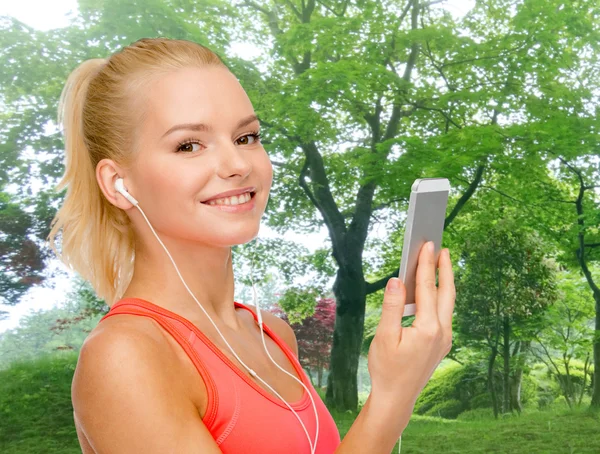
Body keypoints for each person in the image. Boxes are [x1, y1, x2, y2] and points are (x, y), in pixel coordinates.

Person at [47, 37, 455, 454]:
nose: (239, 165)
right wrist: (392, 397)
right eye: (189, 145)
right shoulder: (125, 357)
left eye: (246, 137)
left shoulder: (273, 336)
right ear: (119, 183)